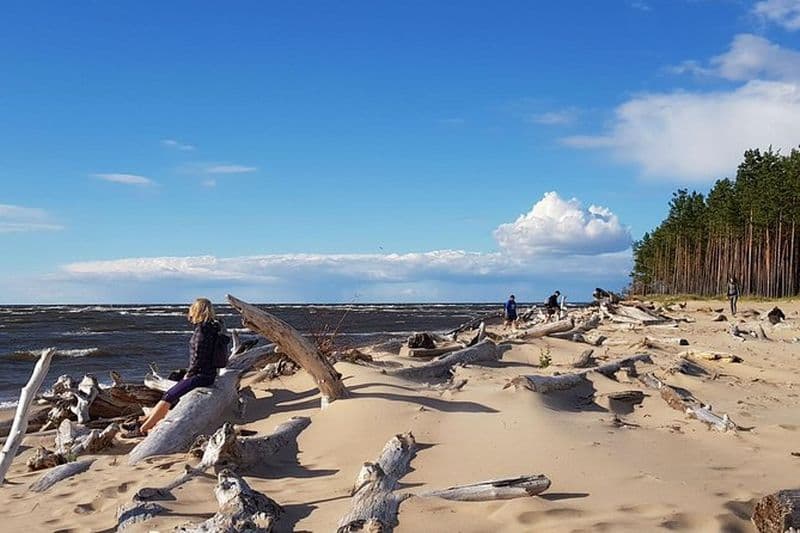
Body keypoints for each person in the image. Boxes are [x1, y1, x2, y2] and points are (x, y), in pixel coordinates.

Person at [127, 298, 223, 436]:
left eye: (191, 309)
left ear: (196, 311)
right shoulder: (213, 329)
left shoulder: (201, 331)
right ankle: (143, 423)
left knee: (169, 396)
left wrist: (188, 375)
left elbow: (198, 359)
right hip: (209, 374)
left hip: (201, 375)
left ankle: (142, 430)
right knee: (170, 395)